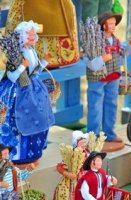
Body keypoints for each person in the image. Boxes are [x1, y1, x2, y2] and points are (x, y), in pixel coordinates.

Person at [0, 20, 54, 164]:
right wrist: (22, 66)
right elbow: (12, 77)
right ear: (22, 37)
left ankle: (33, 151)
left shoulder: (32, 51)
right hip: (17, 90)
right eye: (30, 36)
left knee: (40, 114)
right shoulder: (15, 54)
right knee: (15, 119)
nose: (33, 38)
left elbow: (35, 72)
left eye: (33, 35)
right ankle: (15, 154)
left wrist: (45, 61)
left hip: (32, 87)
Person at [84, 11, 131, 143]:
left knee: (111, 105)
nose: (113, 26)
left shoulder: (116, 40)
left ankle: (109, 133)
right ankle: (93, 136)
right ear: (103, 25)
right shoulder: (94, 40)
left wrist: (130, 47)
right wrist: (102, 59)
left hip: (114, 76)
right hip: (98, 78)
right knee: (95, 106)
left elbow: (123, 53)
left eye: (114, 23)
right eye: (110, 23)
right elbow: (88, 60)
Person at [54, 131, 90, 200]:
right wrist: (67, 174)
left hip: (85, 179)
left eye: (84, 142)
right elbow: (59, 167)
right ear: (76, 144)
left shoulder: (87, 153)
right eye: (81, 143)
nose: (83, 145)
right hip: (74, 180)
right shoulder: (71, 155)